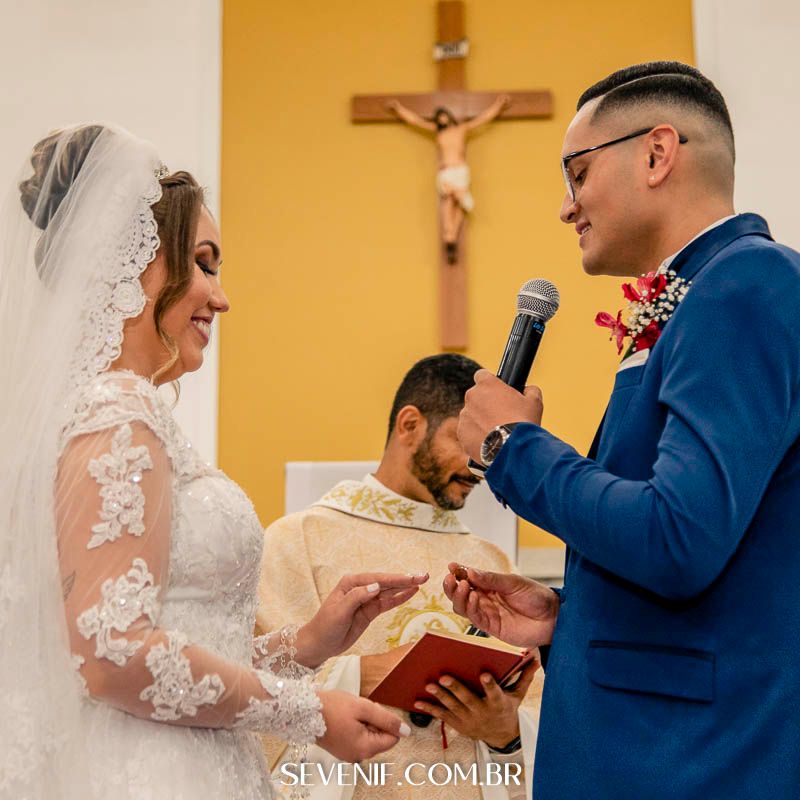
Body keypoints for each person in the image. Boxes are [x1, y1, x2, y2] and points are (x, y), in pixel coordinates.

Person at [0, 123, 428, 799]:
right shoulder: (115, 415)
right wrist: (309, 712)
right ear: (136, 263)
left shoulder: (117, 414)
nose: (220, 296)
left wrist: (307, 645)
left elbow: (165, 657)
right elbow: (113, 656)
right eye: (203, 262)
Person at [448, 61, 800, 798]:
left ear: (656, 153)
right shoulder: (708, 292)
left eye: (577, 173)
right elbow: (715, 548)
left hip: (692, 762)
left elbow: (677, 539)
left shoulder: (745, 284)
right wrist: (571, 619)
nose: (566, 207)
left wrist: (512, 447)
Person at [258, 354, 541, 800]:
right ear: (409, 424)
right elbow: (247, 694)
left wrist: (504, 731)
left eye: (487, 451)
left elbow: (541, 712)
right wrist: (366, 674)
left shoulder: (493, 563)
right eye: (463, 442)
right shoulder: (297, 542)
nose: (478, 469)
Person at [386, 95, 509, 263]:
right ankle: (448, 235)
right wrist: (398, 109)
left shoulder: (461, 130)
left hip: (460, 171)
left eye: (442, 115)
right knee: (448, 202)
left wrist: (498, 105)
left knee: (460, 206)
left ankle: (452, 238)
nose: (441, 119)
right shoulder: (438, 133)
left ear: (448, 116)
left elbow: (483, 119)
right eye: (438, 117)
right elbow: (415, 120)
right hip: (446, 172)